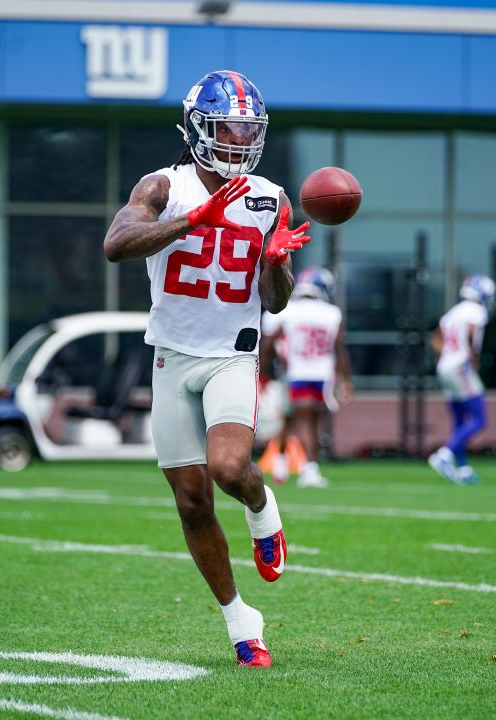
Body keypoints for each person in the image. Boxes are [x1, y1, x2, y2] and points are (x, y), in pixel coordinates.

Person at [102, 70, 311, 668]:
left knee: (227, 468)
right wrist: (194, 220)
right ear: (198, 127)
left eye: (250, 129)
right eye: (230, 127)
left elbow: (275, 299)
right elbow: (117, 244)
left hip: (231, 354)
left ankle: (260, 506)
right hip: (171, 357)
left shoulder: (269, 196)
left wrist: (273, 262)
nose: (241, 139)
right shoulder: (164, 186)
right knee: (191, 501)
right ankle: (243, 624)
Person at [261, 267, 353, 488]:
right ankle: (309, 469)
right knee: (311, 422)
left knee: (293, 419)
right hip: (321, 375)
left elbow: (267, 342)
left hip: (295, 372)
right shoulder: (332, 313)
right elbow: (339, 349)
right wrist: (346, 379)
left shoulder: (287, 311)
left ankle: (282, 463)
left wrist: (264, 370)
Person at [429, 274, 496, 485]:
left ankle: (463, 468)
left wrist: (447, 354)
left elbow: (436, 338)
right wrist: (473, 358)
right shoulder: (475, 311)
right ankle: (444, 455)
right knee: (479, 418)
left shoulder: (453, 312)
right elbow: (470, 333)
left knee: (459, 421)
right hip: (460, 367)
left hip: (445, 367)